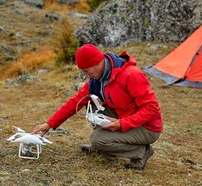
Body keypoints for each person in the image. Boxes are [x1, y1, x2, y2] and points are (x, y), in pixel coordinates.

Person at [32, 43, 163, 170]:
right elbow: (75, 102)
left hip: (147, 128)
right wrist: (49, 124)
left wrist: (122, 123)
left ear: (97, 63)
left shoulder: (131, 75)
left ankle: (142, 151)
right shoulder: (97, 79)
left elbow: (152, 108)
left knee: (98, 139)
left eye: (86, 71)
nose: (86, 75)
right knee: (90, 102)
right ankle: (105, 147)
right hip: (123, 116)